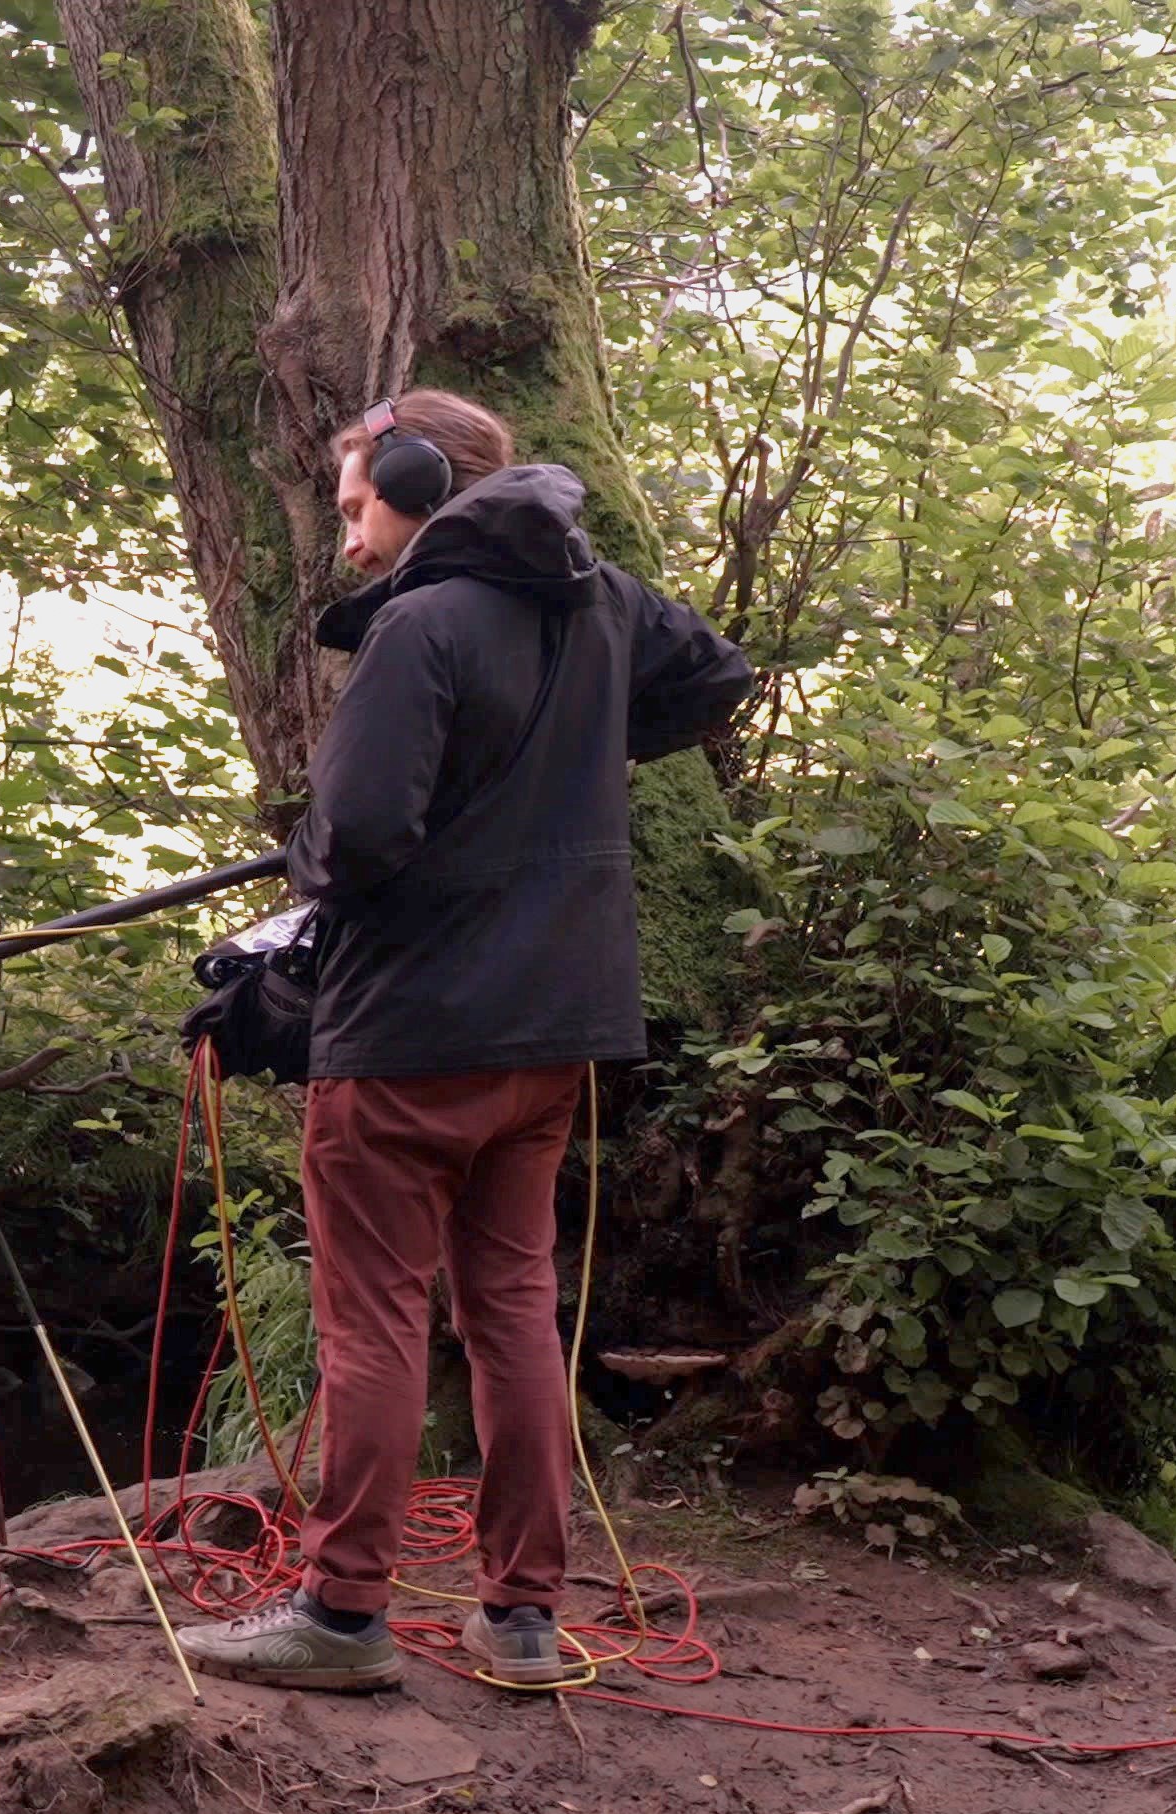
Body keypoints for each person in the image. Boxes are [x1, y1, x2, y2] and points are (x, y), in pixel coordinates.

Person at [175, 389, 752, 1693]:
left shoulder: (424, 622)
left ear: (422, 480)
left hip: (408, 1034)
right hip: (553, 1031)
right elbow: (714, 676)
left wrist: (308, 860)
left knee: (372, 1321)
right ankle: (522, 1619)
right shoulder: (601, 602)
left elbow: (362, 836)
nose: (348, 543)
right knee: (513, 1316)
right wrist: (578, 750)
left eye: (356, 505)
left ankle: (340, 1615)